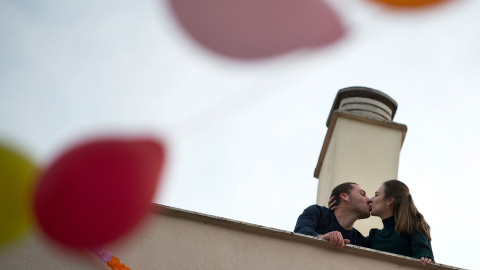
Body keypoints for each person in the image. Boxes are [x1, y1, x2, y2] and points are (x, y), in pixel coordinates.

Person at [369, 180, 434, 266]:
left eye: (376, 195)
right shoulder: (374, 236)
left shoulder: (414, 227)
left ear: (390, 200)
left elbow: (423, 257)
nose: (370, 200)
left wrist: (425, 257)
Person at [294, 182, 371, 248]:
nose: (369, 200)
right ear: (344, 196)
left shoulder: (361, 241)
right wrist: (321, 238)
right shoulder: (317, 212)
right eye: (362, 194)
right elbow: (300, 230)